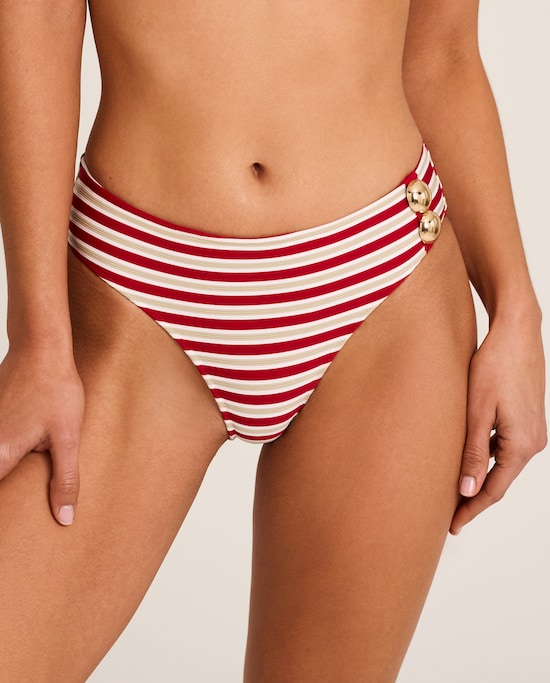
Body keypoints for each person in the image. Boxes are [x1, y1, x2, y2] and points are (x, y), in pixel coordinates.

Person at [0, 0, 546, 680]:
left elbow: (442, 53)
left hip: (386, 290)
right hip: (137, 296)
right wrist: (38, 338)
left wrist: (516, 308)